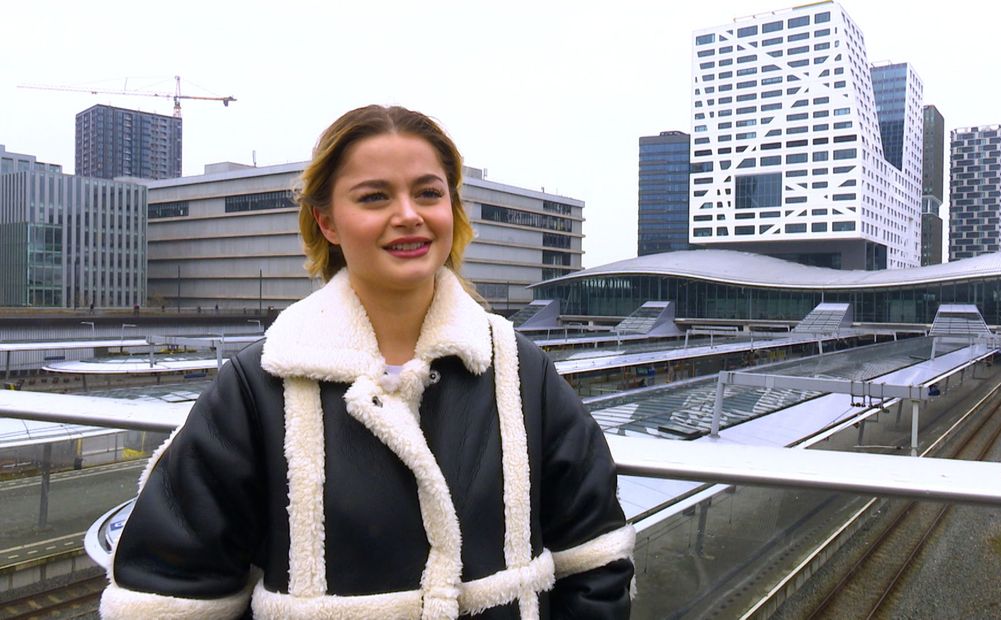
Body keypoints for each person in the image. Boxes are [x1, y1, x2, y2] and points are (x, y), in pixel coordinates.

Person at [100, 105, 634, 619]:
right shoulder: (258, 386)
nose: (408, 215)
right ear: (327, 222)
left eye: (428, 192)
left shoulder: (521, 372)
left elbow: (597, 558)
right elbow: (171, 591)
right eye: (375, 197)